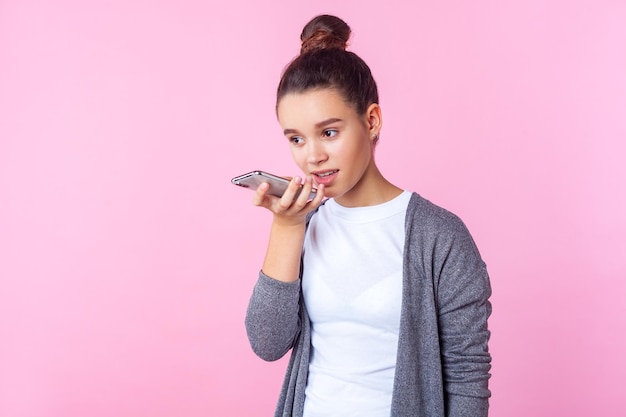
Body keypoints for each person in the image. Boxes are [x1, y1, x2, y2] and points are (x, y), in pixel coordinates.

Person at [244, 14, 492, 417]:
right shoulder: (304, 224)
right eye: (296, 138)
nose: (312, 156)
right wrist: (286, 228)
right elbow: (267, 343)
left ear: (371, 121)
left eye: (329, 132)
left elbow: (467, 377)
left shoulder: (440, 236)